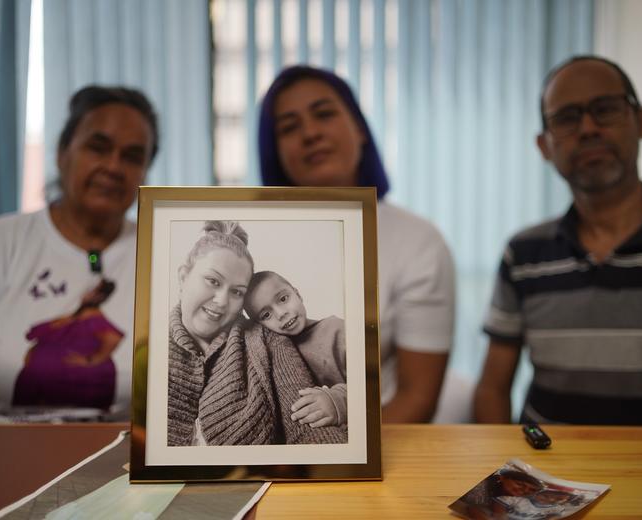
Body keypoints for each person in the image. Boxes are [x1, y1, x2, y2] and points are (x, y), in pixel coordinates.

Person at [474, 55, 642, 432]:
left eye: (605, 110)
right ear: (544, 145)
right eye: (567, 118)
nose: (588, 128)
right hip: (546, 478)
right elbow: (493, 389)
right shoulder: (524, 253)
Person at [0, 85, 159, 422]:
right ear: (62, 153)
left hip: (116, 463)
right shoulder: (1, 241)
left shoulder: (159, 250)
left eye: (132, 156)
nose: (113, 167)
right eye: (97, 148)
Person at [258, 65, 455, 423]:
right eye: (289, 127)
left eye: (324, 114)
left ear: (360, 129)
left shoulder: (419, 242)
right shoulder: (259, 244)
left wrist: (349, 459)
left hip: (382, 449)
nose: (310, 133)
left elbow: (417, 399)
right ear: (275, 151)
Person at [167, 221, 347, 445]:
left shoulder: (269, 339)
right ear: (184, 276)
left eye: (236, 291)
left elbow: (306, 424)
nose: (222, 301)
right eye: (212, 281)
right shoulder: (154, 346)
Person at [244, 270, 347, 427]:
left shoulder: (337, 330)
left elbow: (369, 388)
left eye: (283, 299)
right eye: (266, 315)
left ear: (298, 294)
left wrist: (337, 401)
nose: (281, 314)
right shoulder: (273, 353)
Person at [12, 278, 122, 408]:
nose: (85, 292)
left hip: (72, 386)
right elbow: (34, 335)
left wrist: (90, 360)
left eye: (91, 290)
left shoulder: (94, 319)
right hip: (43, 385)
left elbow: (113, 338)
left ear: (99, 296)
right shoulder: (73, 317)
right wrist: (34, 350)